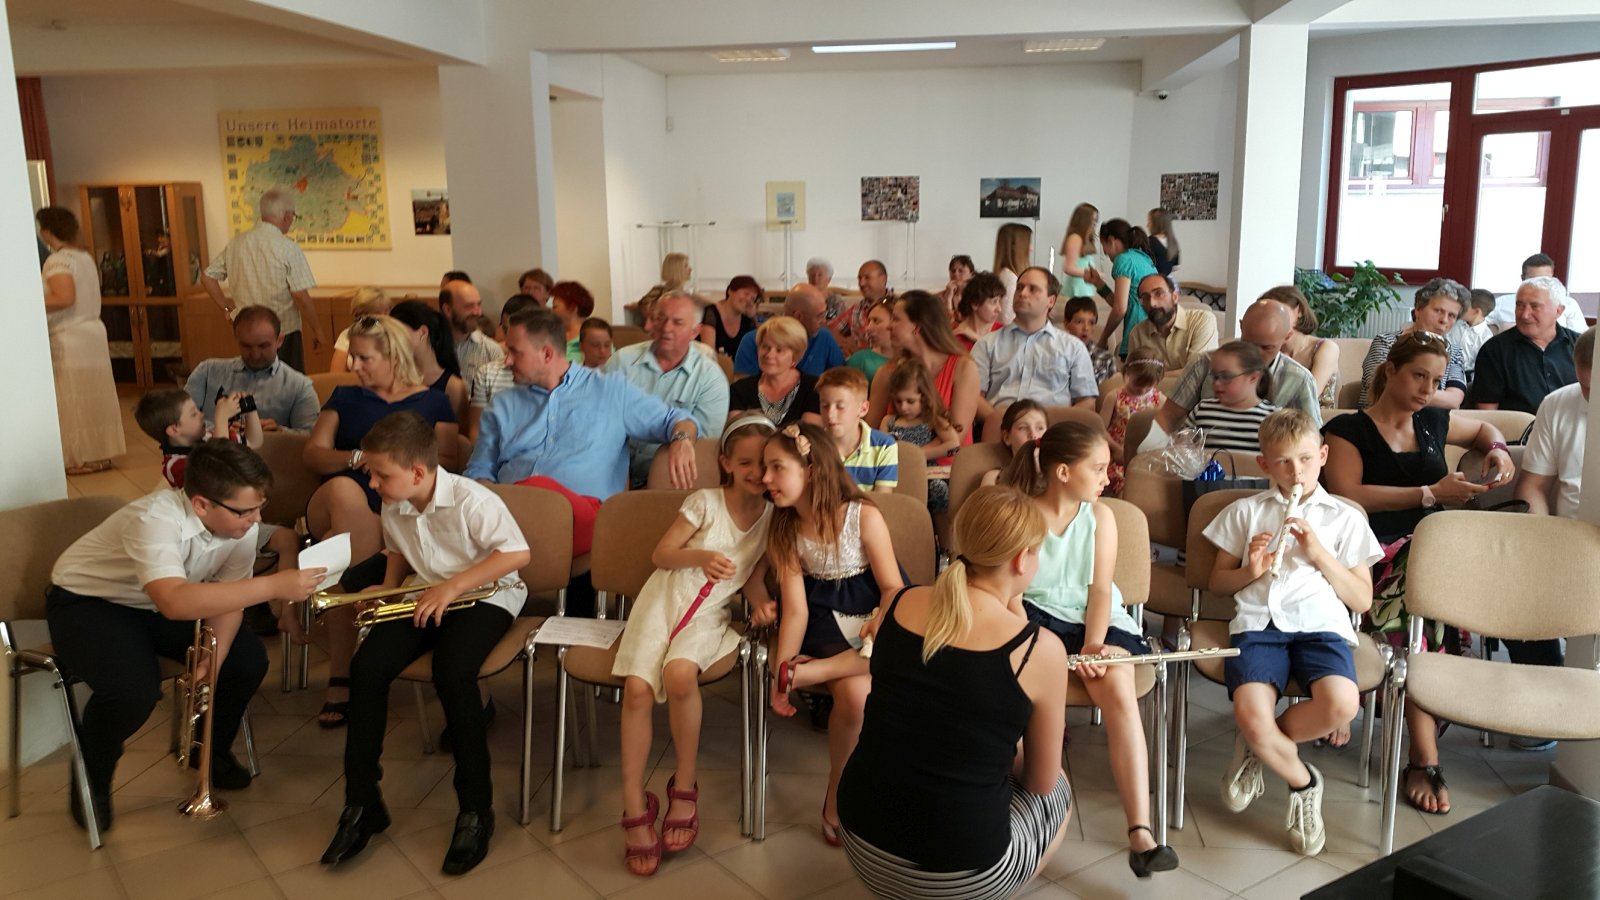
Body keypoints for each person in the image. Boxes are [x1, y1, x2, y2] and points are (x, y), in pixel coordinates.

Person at [47, 441, 326, 829]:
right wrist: (275, 586)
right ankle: (90, 773)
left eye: (259, 507)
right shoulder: (154, 520)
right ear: (201, 505)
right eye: (246, 511)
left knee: (246, 660)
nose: (257, 519)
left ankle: (209, 753)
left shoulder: (239, 525)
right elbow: (175, 601)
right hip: (90, 603)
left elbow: (229, 598)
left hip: (156, 601)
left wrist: (214, 660)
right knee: (132, 692)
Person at [320, 412, 530, 875]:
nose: (372, 483)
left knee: (452, 672)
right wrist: (387, 589)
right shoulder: (394, 503)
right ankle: (362, 803)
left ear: (417, 472)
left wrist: (452, 588)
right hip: (426, 592)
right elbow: (398, 551)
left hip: (486, 595)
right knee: (367, 668)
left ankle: (475, 810)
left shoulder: (473, 500)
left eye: (380, 474)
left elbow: (517, 553)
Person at [837, 486, 1073, 898]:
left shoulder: (900, 602)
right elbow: (1039, 781)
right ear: (1022, 559)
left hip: (860, 841)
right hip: (960, 877)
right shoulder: (1039, 649)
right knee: (1058, 788)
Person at [1322, 332, 1515, 815]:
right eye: (1418, 376)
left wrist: (1499, 449)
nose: (1428, 390)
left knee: (1427, 575)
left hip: (1431, 553)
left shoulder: (1432, 420)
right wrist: (1430, 494)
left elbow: (1482, 429)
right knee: (1420, 586)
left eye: (1436, 380)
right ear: (1390, 371)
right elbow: (1348, 495)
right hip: (1368, 555)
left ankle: (1410, 728)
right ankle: (1423, 756)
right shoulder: (1348, 429)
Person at [1205, 409, 1382, 857]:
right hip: (1258, 625)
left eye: (1305, 459)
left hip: (1321, 627)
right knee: (1251, 712)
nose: (1295, 472)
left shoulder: (1345, 518)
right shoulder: (1245, 512)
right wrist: (1252, 569)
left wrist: (1319, 554)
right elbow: (1216, 584)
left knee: (1342, 705)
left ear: (1323, 455)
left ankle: (1260, 743)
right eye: (1283, 462)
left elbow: (1361, 599)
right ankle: (1303, 781)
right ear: (1264, 464)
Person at [1005, 421, 1178, 877]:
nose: (1108, 477)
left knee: (1118, 685)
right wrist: (1037, 647)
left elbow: (1100, 590)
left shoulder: (1101, 517)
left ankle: (1141, 833)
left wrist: (1093, 645)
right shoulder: (1020, 514)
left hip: (1094, 620)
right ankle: (1019, 809)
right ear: (1063, 472)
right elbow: (1012, 594)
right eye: (1098, 468)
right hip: (1034, 618)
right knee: (1013, 683)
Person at [614, 418, 777, 876]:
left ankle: (684, 784)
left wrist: (761, 605)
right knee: (637, 689)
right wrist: (702, 557)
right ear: (725, 462)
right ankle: (633, 800)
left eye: (763, 464)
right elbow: (661, 555)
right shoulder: (704, 502)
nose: (755, 472)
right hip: (663, 600)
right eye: (744, 462)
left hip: (708, 612)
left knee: (680, 674)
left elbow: (754, 577)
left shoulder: (772, 518)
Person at [302, 315, 459, 726]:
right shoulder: (345, 396)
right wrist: (360, 458)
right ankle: (369, 601)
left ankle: (343, 672)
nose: (353, 365)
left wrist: (396, 467)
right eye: (352, 356)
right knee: (345, 495)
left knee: (339, 547)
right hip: (340, 495)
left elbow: (448, 461)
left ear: (394, 356)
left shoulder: (433, 402)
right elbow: (313, 454)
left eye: (364, 357)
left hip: (396, 511)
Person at [765, 424, 904, 845]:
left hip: (874, 605)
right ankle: (840, 793)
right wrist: (781, 674)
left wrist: (879, 619)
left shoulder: (863, 516)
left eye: (777, 467)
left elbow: (892, 588)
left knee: (901, 640)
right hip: (824, 614)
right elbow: (796, 610)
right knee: (857, 697)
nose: (765, 478)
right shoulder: (784, 527)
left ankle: (818, 671)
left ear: (811, 470)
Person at [466, 305, 701, 500]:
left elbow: (677, 419)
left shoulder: (611, 391)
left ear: (547, 354)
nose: (506, 361)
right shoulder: (502, 405)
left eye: (515, 352)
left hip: (583, 518)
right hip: (513, 518)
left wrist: (681, 440)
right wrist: (491, 506)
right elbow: (479, 469)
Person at [36, 206, 126, 473]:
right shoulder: (84, 257)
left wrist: (29, 301)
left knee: (73, 399)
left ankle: (78, 459)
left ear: (46, 231)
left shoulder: (58, 260)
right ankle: (100, 453)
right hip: (92, 334)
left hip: (70, 337)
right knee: (95, 396)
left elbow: (64, 298)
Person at [1153, 301, 1322, 441]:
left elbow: (1313, 438)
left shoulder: (1299, 379)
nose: (1256, 354)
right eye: (1249, 343)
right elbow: (1167, 418)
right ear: (1241, 327)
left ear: (1287, 336)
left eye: (1267, 348)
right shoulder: (1204, 363)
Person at [607, 293, 731, 484]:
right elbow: (600, 418)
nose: (666, 328)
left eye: (677, 322)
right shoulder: (622, 361)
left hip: (671, 478)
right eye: (660, 318)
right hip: (613, 469)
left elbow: (702, 447)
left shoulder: (711, 379)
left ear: (694, 332)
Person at [201, 188, 324, 371]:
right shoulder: (288, 248)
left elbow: (207, 276)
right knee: (287, 384)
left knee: (252, 381)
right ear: (286, 216)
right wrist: (318, 330)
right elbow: (300, 296)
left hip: (247, 333)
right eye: (293, 216)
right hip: (282, 334)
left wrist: (228, 309)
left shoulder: (237, 243)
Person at [867, 290, 980, 459]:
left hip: (947, 466)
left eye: (896, 319)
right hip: (897, 467)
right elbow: (871, 431)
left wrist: (910, 457)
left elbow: (958, 434)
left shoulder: (963, 368)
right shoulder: (886, 373)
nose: (889, 326)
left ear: (917, 326)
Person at [972, 268, 1098, 418]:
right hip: (999, 426)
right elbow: (973, 396)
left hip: (1055, 427)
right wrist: (1002, 423)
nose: (1023, 293)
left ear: (1051, 301)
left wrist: (1052, 425)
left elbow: (1087, 401)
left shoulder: (1073, 347)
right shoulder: (986, 344)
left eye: (1033, 289)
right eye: (1019, 287)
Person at [181, 307, 319, 433]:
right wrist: (218, 428)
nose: (255, 355)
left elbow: (311, 436)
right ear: (236, 339)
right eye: (246, 346)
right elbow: (178, 418)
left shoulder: (299, 385)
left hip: (269, 450)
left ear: (279, 340)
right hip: (210, 449)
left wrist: (279, 432)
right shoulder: (208, 372)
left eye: (263, 346)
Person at [1469, 276, 1579, 414]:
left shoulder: (1581, 347)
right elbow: (1487, 415)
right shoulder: (1495, 350)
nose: (1525, 315)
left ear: (1558, 310)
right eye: (1520, 305)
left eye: (1535, 306)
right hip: (1517, 427)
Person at [1518, 326, 1595, 520]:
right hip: (1571, 530)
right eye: (1587, 388)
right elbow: (1533, 486)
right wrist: (1540, 530)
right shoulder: (1556, 404)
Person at [1357, 279, 1469, 410]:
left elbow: (1454, 400)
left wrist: (1408, 391)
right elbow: (1381, 387)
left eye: (1452, 316)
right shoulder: (1386, 342)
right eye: (1438, 311)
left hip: (1432, 420)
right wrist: (1435, 397)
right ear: (1418, 310)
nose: (1444, 320)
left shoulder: (1453, 351)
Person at [882, 358, 959, 542]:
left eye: (910, 401)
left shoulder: (932, 420)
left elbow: (953, 444)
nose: (903, 407)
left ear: (924, 396)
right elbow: (881, 448)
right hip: (895, 475)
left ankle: (946, 546)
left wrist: (917, 455)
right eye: (898, 401)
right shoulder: (889, 421)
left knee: (939, 490)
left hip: (926, 474)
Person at [465, 294, 543, 441]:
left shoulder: (549, 375)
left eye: (516, 330)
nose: (509, 337)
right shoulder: (487, 373)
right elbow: (476, 432)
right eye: (506, 329)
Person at [733, 284, 845, 377]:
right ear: (798, 316)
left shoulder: (823, 337)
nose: (824, 321)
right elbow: (743, 388)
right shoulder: (753, 340)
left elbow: (843, 379)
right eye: (819, 316)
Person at [727, 316, 820, 428]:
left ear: (795, 355)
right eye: (765, 347)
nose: (769, 355)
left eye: (779, 350)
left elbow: (810, 434)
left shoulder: (815, 388)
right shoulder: (739, 390)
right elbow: (736, 434)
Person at [1187, 341, 1279, 454]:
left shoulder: (1273, 418)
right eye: (1215, 376)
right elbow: (1181, 448)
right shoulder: (1202, 409)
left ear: (1253, 377)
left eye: (1226, 377)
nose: (1217, 383)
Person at [817, 367, 898, 494]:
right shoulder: (812, 445)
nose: (830, 414)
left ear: (863, 409)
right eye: (824, 406)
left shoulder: (885, 446)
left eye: (840, 407)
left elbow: (882, 500)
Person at [1261, 285, 1340, 408]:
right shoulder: (1267, 349)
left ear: (1300, 311)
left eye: (1280, 312)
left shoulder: (1326, 348)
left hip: (1316, 418)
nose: (1272, 320)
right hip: (1270, 417)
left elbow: (1310, 394)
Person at [390, 301, 468, 422]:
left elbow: (460, 431)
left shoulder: (453, 386)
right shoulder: (392, 374)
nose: (392, 340)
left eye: (397, 333)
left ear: (422, 332)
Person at [1103, 348, 1167, 495]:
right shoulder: (1114, 397)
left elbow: (1164, 432)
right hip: (1118, 457)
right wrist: (1115, 448)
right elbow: (1100, 428)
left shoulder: (1160, 400)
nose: (1143, 390)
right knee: (1125, 487)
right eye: (1138, 384)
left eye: (1149, 386)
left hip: (1147, 458)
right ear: (1128, 372)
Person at [1126, 273, 1218, 370]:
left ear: (1175, 297)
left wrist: (1153, 376)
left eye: (1158, 294)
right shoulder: (1137, 333)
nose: (1152, 303)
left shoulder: (1202, 321)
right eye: (1145, 297)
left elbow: (1197, 372)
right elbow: (1133, 375)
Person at [1090, 219, 1155, 357]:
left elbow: (1120, 309)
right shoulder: (1143, 259)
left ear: (1111, 240)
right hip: (1153, 336)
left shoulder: (1123, 260)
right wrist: (1098, 283)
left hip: (1137, 336)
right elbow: (1124, 304)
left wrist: (1103, 339)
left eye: (1103, 246)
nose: (1105, 253)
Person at [1485, 254, 1587, 332]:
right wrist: (1501, 330)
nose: (1539, 285)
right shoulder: (1502, 303)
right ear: (1523, 278)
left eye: (1545, 280)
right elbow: (1479, 327)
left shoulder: (1568, 304)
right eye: (1533, 281)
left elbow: (1580, 338)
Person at [439, 279, 503, 390]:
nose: (478, 312)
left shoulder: (491, 351)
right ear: (448, 310)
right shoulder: (429, 347)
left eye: (479, 305)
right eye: (469, 306)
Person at [979, 400, 1049, 488]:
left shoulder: (1057, 475)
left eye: (1040, 428)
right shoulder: (994, 478)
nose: (1033, 435)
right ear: (1007, 438)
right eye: (1023, 428)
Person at [832, 261, 891, 352]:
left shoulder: (898, 307)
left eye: (867, 278)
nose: (861, 283)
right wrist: (845, 345)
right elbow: (832, 330)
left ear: (883, 280)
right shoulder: (856, 309)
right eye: (859, 278)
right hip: (859, 359)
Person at [331, 288, 394, 372]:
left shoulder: (397, 335)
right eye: (377, 313)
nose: (385, 317)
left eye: (387, 311)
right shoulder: (348, 334)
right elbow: (336, 375)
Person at [1063, 296, 1118, 384]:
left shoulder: (1107, 359)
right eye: (1079, 322)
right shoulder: (1057, 355)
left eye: (1091, 323)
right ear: (1066, 324)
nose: (1086, 328)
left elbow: (1115, 389)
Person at [700, 275, 760, 357]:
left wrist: (753, 318)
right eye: (746, 294)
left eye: (752, 298)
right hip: (713, 364)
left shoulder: (747, 320)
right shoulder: (711, 313)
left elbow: (754, 353)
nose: (748, 300)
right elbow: (708, 354)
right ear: (730, 291)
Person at [954, 271, 1007, 351]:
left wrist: (977, 338)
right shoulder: (956, 337)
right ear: (975, 304)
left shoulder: (1002, 332)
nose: (999, 309)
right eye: (994, 302)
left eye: (999, 301)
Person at [1449, 289, 1496, 379]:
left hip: (1465, 376)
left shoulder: (1486, 338)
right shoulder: (1454, 323)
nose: (1459, 309)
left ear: (1477, 311)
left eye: (1464, 307)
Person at [993, 224, 1033, 327]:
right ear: (1017, 247)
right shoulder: (1010, 278)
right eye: (1028, 243)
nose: (1031, 248)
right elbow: (1007, 319)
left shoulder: (1006, 275)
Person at [548, 280, 596, 364]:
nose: (551, 311)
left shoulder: (595, 340)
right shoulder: (551, 335)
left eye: (555, 307)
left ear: (573, 308)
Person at [1059, 203, 1100, 300]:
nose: (1094, 224)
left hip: (1083, 286)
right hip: (1077, 287)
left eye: (1096, 220)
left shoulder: (1082, 239)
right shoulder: (1075, 238)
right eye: (1092, 220)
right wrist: (1094, 274)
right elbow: (1068, 268)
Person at [845, 301, 893, 383]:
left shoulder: (912, 359)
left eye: (876, 321)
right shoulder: (860, 360)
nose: (868, 328)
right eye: (869, 321)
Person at [637, 252, 691, 325]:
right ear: (676, 270)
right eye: (686, 266)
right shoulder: (659, 292)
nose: (690, 269)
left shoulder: (687, 293)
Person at [939, 254, 977, 319]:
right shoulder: (940, 297)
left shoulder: (977, 296)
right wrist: (948, 298)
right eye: (953, 271)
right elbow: (943, 321)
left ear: (972, 274)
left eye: (961, 271)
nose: (955, 274)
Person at [1147, 208, 1181, 277]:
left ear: (1157, 224)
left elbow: (1144, 266)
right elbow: (1176, 267)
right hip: (1168, 279)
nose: (1147, 225)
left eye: (1149, 222)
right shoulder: (1173, 241)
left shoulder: (1149, 241)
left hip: (1153, 279)